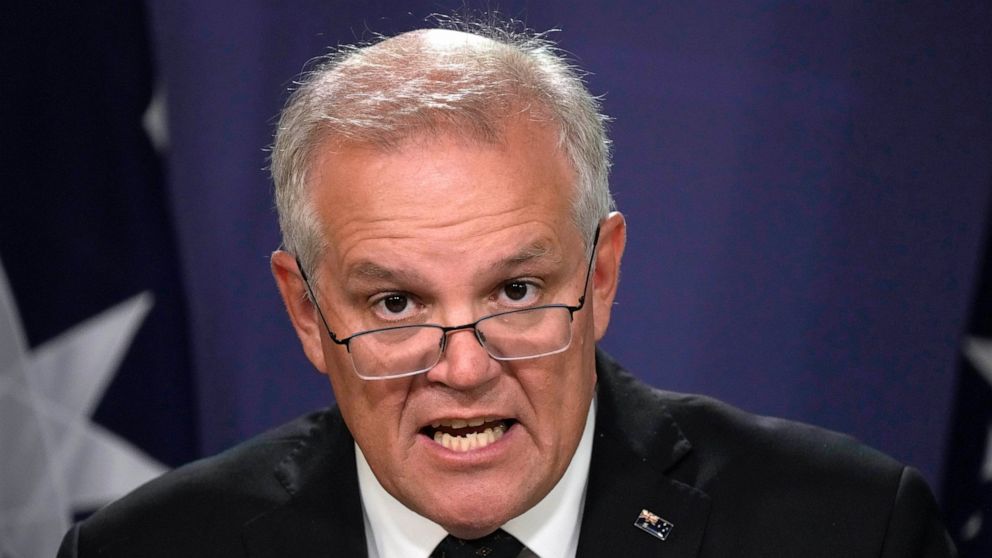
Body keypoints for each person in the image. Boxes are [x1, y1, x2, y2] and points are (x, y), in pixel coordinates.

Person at [58, 23, 955, 558]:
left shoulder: (849, 530)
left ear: (600, 275)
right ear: (306, 310)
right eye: (396, 304)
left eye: (516, 290)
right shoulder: (145, 551)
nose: (463, 369)